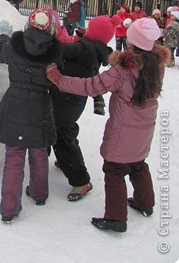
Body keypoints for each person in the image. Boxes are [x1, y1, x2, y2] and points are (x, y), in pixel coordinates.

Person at [46, 17, 170, 233]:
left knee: (114, 170)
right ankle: (145, 202)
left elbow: (92, 86)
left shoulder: (122, 70)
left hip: (123, 130)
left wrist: (59, 79)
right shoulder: (157, 64)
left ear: (131, 42)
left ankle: (116, 217)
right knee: (138, 164)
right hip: (144, 128)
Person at [0, 9, 61, 223]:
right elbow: (58, 77)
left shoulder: (14, 46)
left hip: (15, 105)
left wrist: (4, 34)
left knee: (14, 156)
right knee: (39, 152)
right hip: (39, 107)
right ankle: (39, 194)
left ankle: (9, 208)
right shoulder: (55, 53)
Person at [50, 15, 120, 202]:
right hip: (74, 99)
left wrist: (46, 35)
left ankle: (81, 180)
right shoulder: (95, 49)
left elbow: (60, 49)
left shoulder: (83, 48)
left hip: (67, 98)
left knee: (62, 135)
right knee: (65, 131)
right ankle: (65, 160)